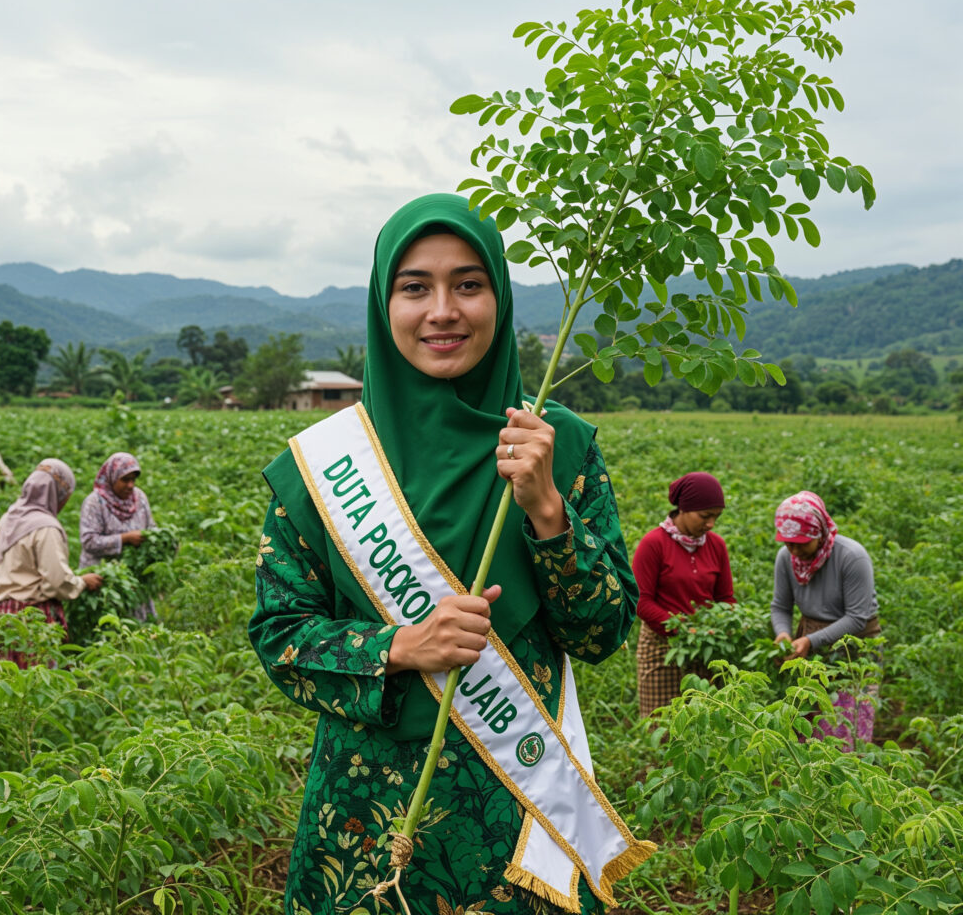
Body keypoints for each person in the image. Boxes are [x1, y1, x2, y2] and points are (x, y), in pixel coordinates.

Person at [248, 194, 650, 915]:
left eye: (468, 284)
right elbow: (280, 637)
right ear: (383, 304)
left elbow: (603, 632)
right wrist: (400, 647)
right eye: (415, 288)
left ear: (500, 297)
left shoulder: (555, 444)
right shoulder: (321, 468)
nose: (442, 311)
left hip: (518, 819)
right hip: (365, 821)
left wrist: (547, 511)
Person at [771, 490, 880, 746]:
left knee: (845, 726)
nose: (794, 550)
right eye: (788, 543)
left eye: (801, 543)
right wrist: (783, 633)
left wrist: (810, 640)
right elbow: (780, 606)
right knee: (806, 726)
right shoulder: (785, 558)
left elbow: (857, 618)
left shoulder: (851, 557)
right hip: (809, 644)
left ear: (818, 533)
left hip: (853, 647)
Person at [632, 472, 734, 719]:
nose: (710, 524)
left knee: (705, 723)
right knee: (663, 723)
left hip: (706, 646)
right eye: (705, 516)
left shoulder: (716, 545)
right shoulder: (654, 544)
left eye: (716, 517)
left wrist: (727, 622)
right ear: (684, 509)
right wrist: (683, 628)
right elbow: (641, 601)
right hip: (662, 648)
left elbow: (726, 598)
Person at [0, 458, 102, 667]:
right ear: (57, 494)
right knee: (36, 683)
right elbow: (56, 581)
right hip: (30, 621)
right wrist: (82, 582)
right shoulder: (45, 528)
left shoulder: (8, 519)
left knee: (3, 680)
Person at [79, 452, 157, 619]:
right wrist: (125, 539)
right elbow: (89, 541)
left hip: (133, 578)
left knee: (136, 625)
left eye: (133, 480)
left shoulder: (140, 498)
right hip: (101, 579)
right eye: (125, 480)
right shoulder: (95, 502)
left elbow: (151, 528)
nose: (130, 485)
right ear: (111, 478)